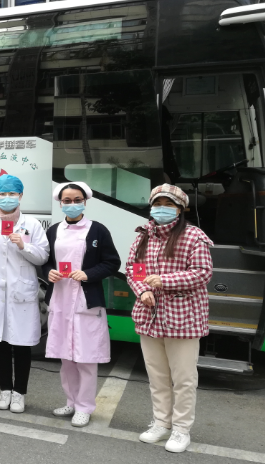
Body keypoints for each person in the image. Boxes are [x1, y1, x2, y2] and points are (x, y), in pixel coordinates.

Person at [128, 184, 213, 453]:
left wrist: (165, 281)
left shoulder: (193, 236)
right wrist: (142, 291)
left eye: (169, 204)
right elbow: (134, 270)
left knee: (184, 379)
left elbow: (202, 272)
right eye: (157, 204)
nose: (161, 209)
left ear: (180, 209)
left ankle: (181, 429)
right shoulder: (143, 236)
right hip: (149, 316)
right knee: (157, 376)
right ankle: (161, 423)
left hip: (183, 318)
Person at [43, 182, 120, 428]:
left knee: (86, 357)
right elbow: (45, 261)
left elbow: (112, 262)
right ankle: (71, 401)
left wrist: (88, 274)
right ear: (60, 203)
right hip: (61, 298)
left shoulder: (97, 230)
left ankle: (85, 407)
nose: (72, 204)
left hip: (86, 300)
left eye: (77, 200)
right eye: (67, 200)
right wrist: (49, 272)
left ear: (85, 201)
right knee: (66, 357)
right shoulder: (54, 230)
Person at [0, 175, 49, 413]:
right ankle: (4, 390)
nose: (7, 198)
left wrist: (23, 246)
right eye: (2, 194)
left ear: (20, 196)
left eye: (12, 194)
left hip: (22, 293)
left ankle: (19, 393)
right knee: (0, 344)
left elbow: (42, 257)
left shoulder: (32, 224)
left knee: (21, 345)